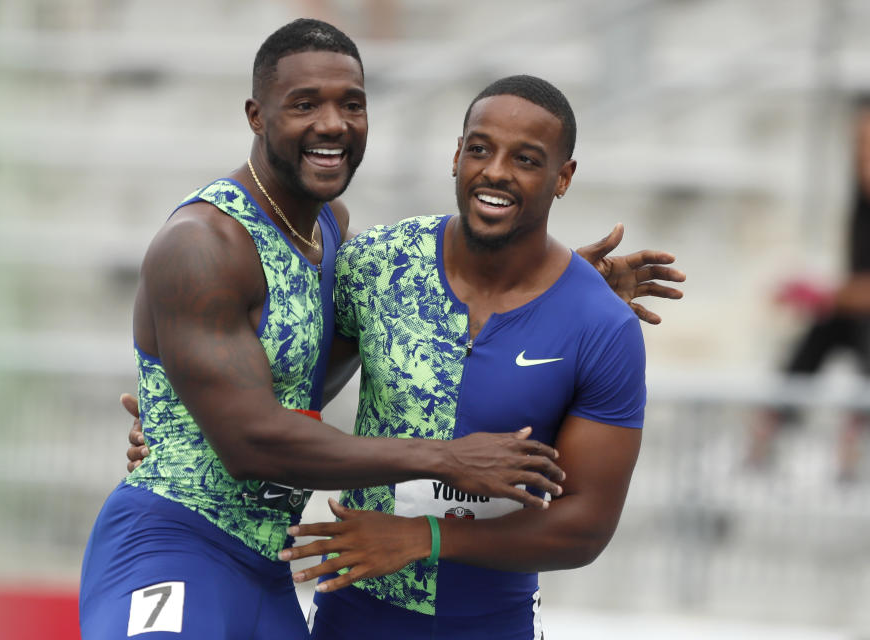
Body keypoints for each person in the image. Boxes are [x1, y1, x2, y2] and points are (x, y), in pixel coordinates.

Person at [125, 74, 682, 638]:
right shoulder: (380, 263)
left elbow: (586, 526)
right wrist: (187, 430)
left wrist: (426, 539)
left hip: (493, 622)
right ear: (457, 154)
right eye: (481, 149)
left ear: (562, 177)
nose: (495, 171)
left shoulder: (601, 325)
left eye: (527, 159)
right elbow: (279, 389)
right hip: (354, 614)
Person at [79, 20, 576, 640]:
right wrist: (445, 459)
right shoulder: (203, 243)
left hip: (269, 569)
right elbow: (251, 442)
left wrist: (565, 295)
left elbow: (362, 341)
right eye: (305, 105)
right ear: (257, 116)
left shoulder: (329, 225)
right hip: (177, 540)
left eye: (352, 104)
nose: (333, 124)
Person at [747, 95, 870, 479]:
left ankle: (852, 444)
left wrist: (822, 294)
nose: (862, 156)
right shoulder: (860, 206)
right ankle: (767, 432)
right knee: (823, 328)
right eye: (858, 145)